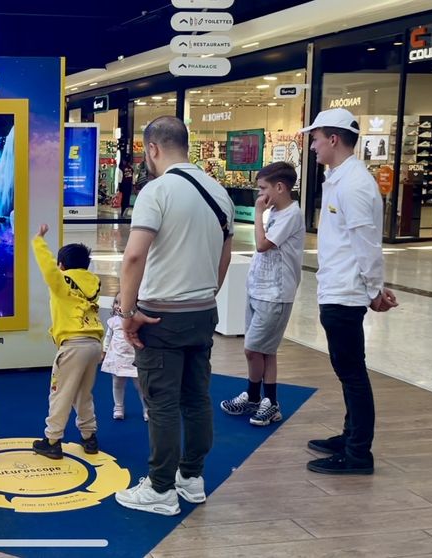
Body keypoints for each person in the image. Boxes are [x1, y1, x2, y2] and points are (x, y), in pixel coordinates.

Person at [114, 116, 235, 516]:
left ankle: (161, 489)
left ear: (152, 149)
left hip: (160, 316)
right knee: (196, 398)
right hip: (203, 313)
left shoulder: (157, 191)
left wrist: (128, 311)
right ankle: (191, 477)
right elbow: (224, 257)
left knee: (162, 402)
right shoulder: (220, 193)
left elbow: (134, 256)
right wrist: (204, 296)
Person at [300, 108, 397, 475]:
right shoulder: (340, 178)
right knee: (347, 371)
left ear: (334, 139)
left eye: (316, 138)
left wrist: (374, 290)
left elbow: (366, 243)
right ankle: (350, 435)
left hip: (345, 293)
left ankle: (358, 453)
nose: (312, 145)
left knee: (352, 372)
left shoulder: (354, 184)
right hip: (337, 288)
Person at [220, 162, 305, 427]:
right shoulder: (279, 213)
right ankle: (260, 398)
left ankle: (266, 400)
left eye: (263, 188)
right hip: (259, 289)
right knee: (264, 350)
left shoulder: (291, 214)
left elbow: (262, 245)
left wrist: (258, 213)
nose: (260, 195)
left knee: (253, 349)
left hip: (276, 294)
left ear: (280, 187)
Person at [30, 224, 104, 459]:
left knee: (60, 392)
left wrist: (39, 240)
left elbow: (48, 267)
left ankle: (52, 440)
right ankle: (89, 436)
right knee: (84, 393)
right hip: (94, 344)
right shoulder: (93, 283)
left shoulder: (62, 283)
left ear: (62, 265)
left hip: (73, 345)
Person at [103, 293, 148, 422]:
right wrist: (104, 351)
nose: (118, 306)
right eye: (116, 302)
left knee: (140, 385)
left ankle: (147, 408)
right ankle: (118, 407)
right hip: (117, 357)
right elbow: (108, 337)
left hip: (134, 358)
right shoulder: (113, 321)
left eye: (122, 303)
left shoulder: (137, 321)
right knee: (117, 383)